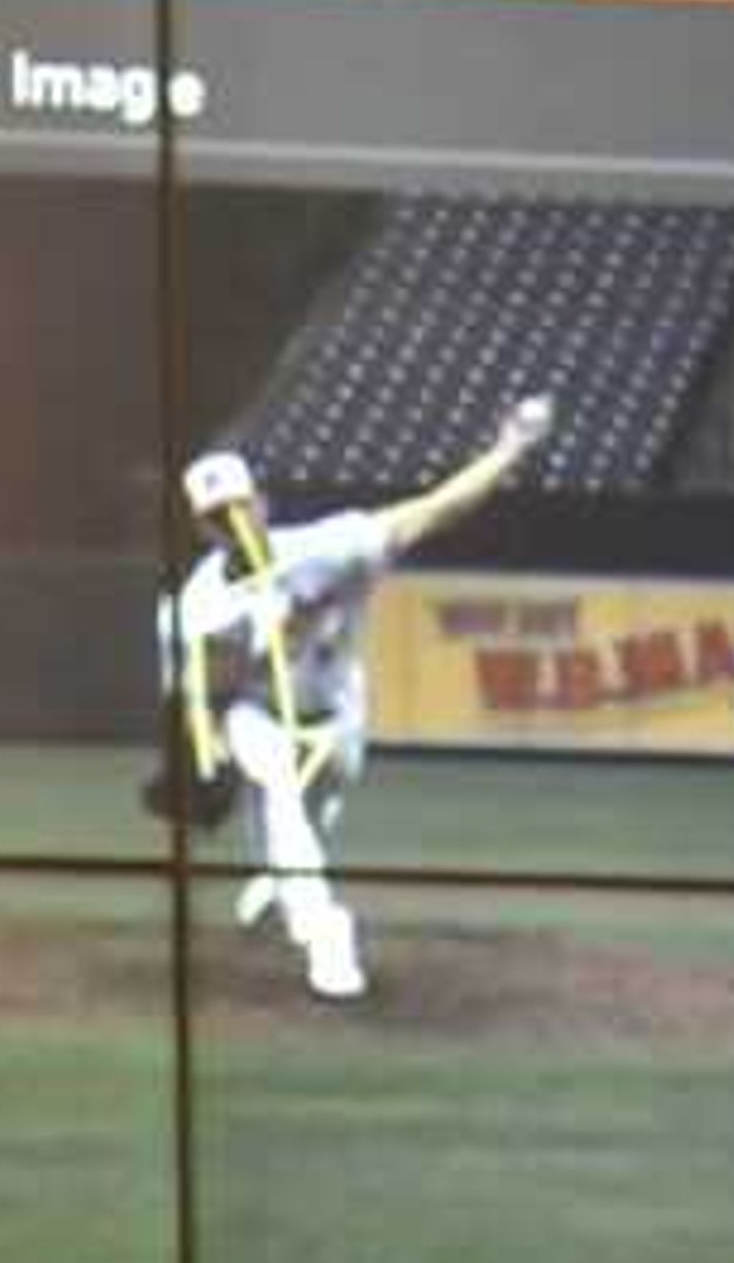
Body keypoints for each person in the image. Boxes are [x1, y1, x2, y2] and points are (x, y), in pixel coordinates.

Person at [156, 394, 554, 1002]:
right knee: (273, 786)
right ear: (201, 527)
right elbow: (198, 692)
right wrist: (207, 758)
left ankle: (281, 886)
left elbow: (433, 511)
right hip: (258, 714)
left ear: (262, 503)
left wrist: (509, 451)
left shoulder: (327, 546)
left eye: (239, 506)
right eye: (217, 515)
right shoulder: (201, 605)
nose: (233, 521)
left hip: (339, 717)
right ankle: (326, 936)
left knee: (301, 826)